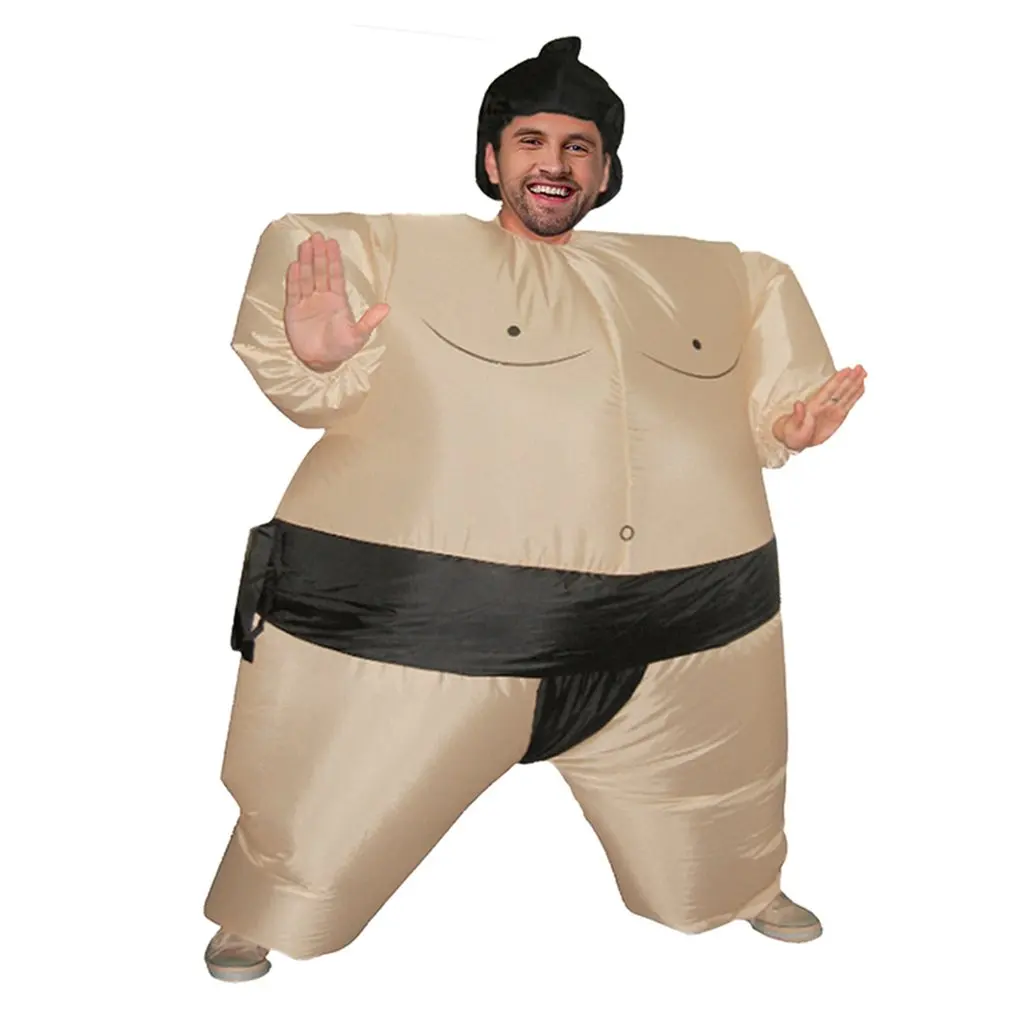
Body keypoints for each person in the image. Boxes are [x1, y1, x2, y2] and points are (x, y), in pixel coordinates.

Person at [203, 36, 866, 982]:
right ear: (491, 159)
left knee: (720, 802)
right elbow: (315, 387)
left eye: (579, 147)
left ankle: (742, 884)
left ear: (606, 171)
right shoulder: (390, 255)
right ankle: (267, 912)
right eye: (531, 141)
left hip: (685, 631)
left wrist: (787, 423)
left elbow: (765, 405)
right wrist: (312, 356)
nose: (554, 164)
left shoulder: (720, 277)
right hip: (427, 636)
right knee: (325, 806)